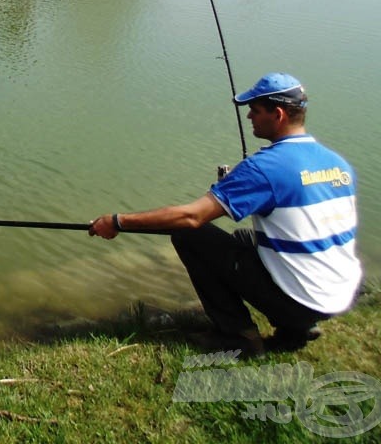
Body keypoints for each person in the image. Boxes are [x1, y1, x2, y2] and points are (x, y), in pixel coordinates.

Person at [89, 72, 361, 356]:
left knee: (189, 235)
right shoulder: (337, 163)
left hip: (304, 300)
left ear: (278, 114)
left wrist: (117, 221)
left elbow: (191, 217)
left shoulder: (265, 167)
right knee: (244, 236)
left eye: (255, 111)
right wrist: (239, 185)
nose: (249, 118)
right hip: (339, 294)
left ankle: (239, 336)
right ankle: (298, 326)